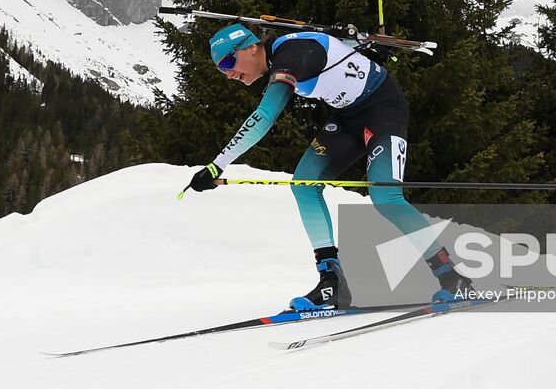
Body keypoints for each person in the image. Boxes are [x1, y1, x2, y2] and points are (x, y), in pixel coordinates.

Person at [185, 23, 472, 309]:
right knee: (304, 185)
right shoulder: (281, 56)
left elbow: (265, 115)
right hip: (348, 119)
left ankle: (451, 277)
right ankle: (331, 283)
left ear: (250, 47)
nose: (229, 74)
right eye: (222, 70)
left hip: (384, 109)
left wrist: (216, 165)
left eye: (228, 62)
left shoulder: (290, 56)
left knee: (386, 197)